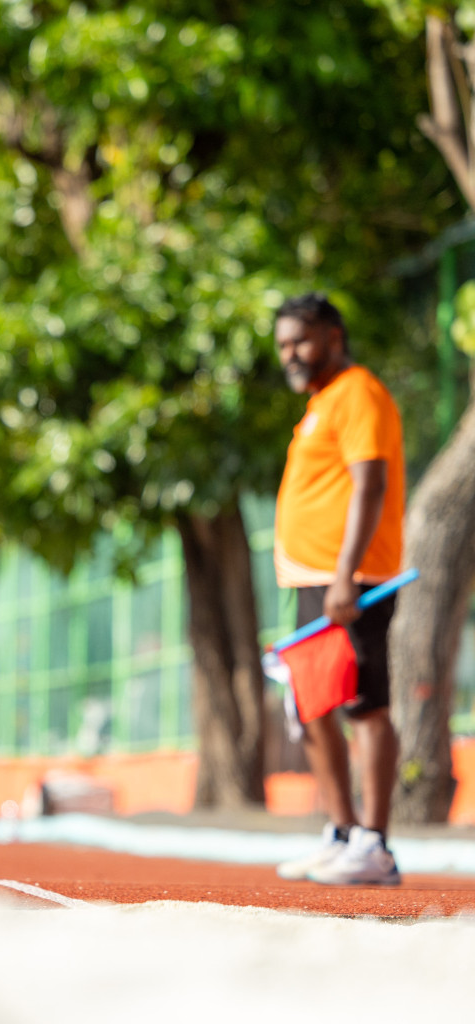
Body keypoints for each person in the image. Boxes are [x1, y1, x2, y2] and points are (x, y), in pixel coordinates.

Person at [271, 293, 406, 886]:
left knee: (364, 706)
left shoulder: (358, 393)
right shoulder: (320, 403)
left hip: (350, 582)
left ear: (332, 335)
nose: (290, 354)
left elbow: (370, 483)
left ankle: (375, 845)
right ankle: (342, 832)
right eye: (282, 345)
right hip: (311, 579)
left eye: (300, 340)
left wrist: (347, 573)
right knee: (312, 707)